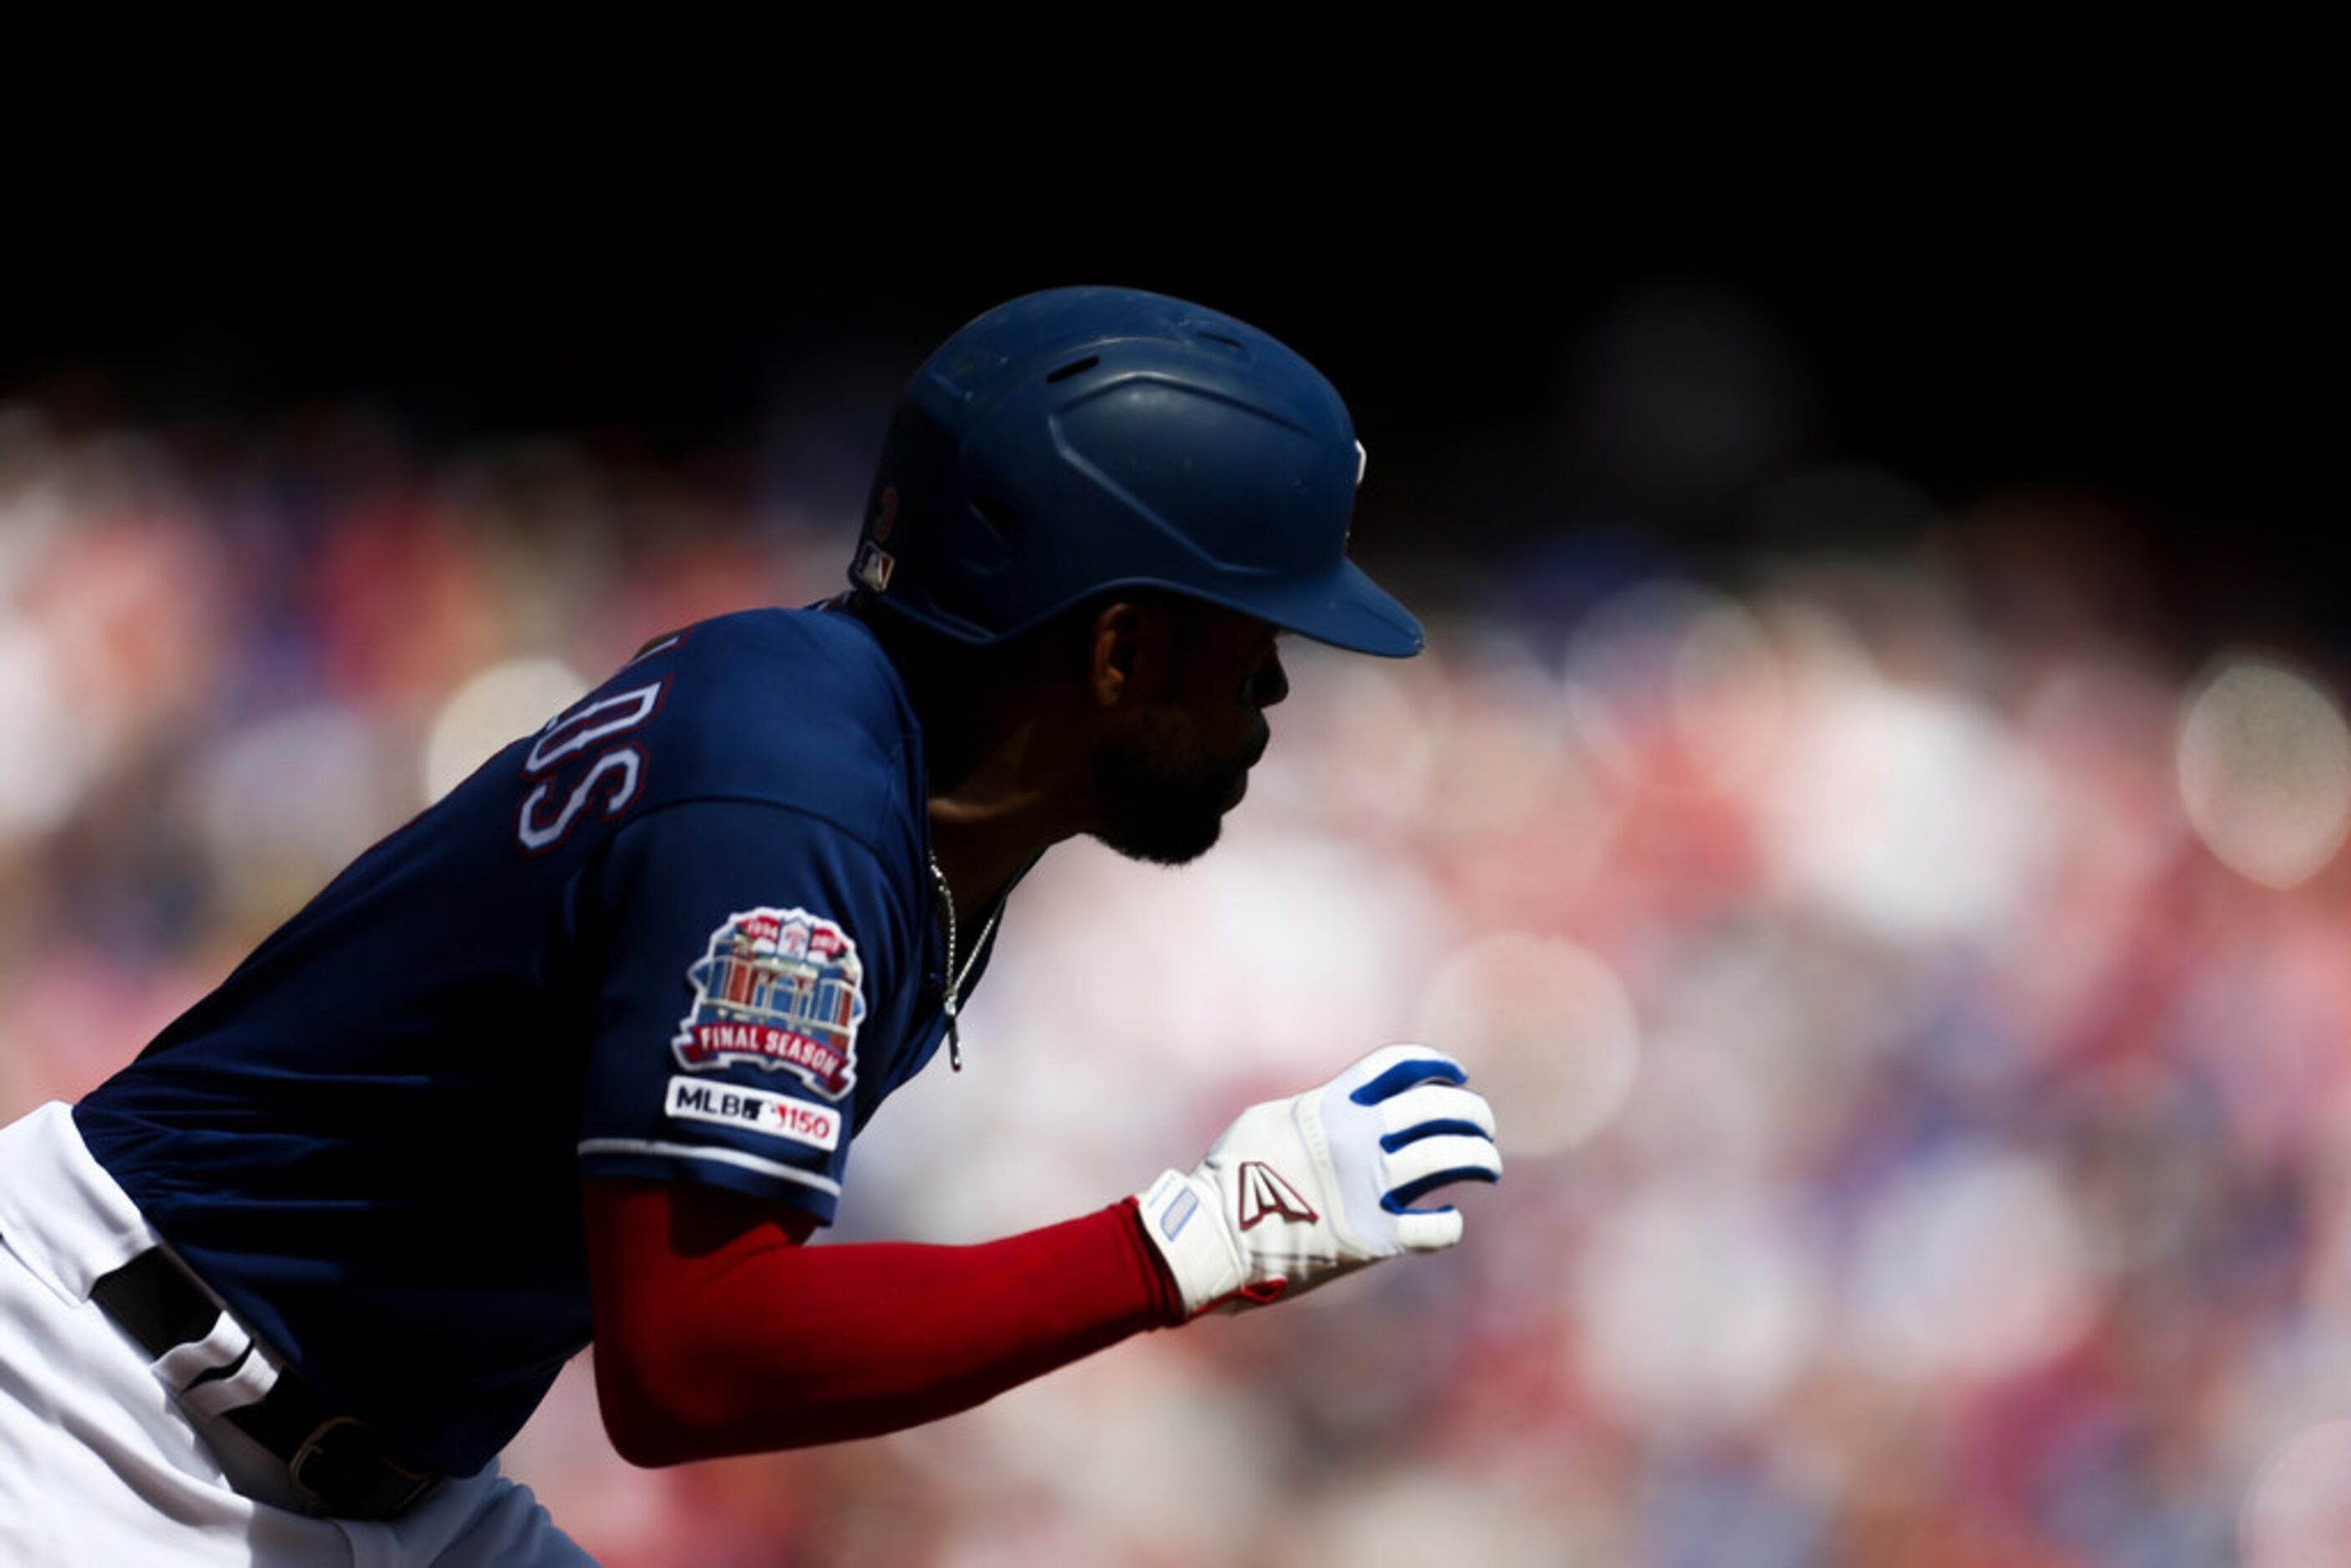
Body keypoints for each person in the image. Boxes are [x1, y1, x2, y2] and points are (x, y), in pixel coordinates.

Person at [0, 286, 1504, 1564]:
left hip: (364, 1468)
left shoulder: (877, 768)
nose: (1281, 691)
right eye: (1256, 638)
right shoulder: (790, 804)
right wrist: (1185, 1244)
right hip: (90, 1406)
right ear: (1119, 647)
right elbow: (694, 1362)